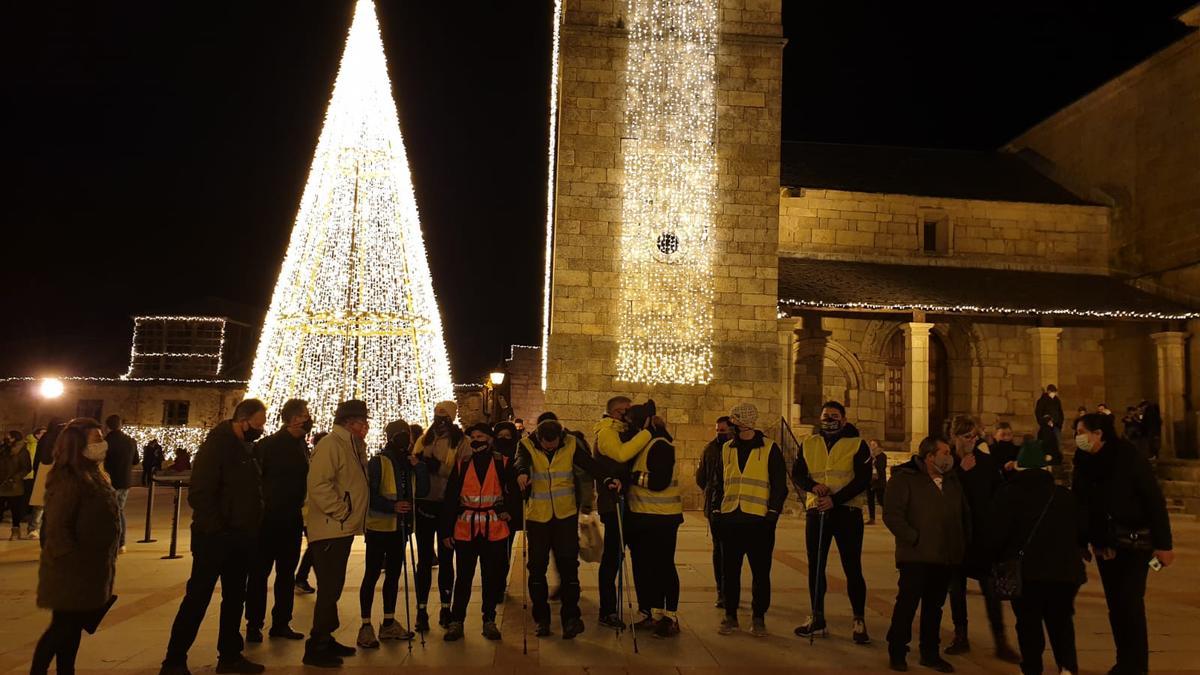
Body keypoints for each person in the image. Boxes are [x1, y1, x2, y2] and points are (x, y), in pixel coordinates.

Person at [161, 399, 267, 675]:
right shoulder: (216, 446)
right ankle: (174, 660)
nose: (261, 428)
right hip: (215, 539)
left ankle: (230, 655)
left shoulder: (247, 448)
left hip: (241, 536)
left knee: (234, 598)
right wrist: (218, 530)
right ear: (242, 420)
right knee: (198, 597)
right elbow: (201, 493)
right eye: (258, 423)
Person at [1072, 413, 1174, 675]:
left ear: (1099, 433)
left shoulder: (1128, 457)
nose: (1078, 437)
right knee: (1116, 608)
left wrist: (1164, 544)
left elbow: (1153, 500)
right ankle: (1124, 662)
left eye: (1082, 431)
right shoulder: (1083, 460)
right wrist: (1081, 540)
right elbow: (1080, 503)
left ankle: (1137, 667)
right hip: (1104, 545)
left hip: (1132, 543)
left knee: (1130, 606)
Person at [985, 443, 1087, 675]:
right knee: (1061, 622)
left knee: (1028, 624)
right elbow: (1082, 529)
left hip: (1026, 573)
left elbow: (995, 534)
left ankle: (1032, 668)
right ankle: (1067, 668)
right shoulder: (1064, 496)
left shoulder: (1008, 494)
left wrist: (993, 559)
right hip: (1064, 573)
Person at [31, 418, 120, 675]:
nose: (102, 444)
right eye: (96, 439)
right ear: (79, 445)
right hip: (72, 571)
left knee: (69, 629)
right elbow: (58, 530)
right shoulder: (70, 479)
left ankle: (65, 671)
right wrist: (78, 565)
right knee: (61, 630)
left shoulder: (93, 473)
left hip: (89, 569)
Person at [515, 417, 619, 638]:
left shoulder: (570, 443)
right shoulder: (525, 444)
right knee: (537, 567)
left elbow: (588, 464)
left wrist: (608, 478)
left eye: (553, 444)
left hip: (565, 514)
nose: (550, 448)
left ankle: (572, 618)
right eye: (546, 445)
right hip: (538, 517)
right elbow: (520, 462)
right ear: (539, 439)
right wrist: (522, 473)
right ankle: (541, 619)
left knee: (569, 566)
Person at [884, 436, 969, 673]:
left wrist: (961, 543)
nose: (948, 456)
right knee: (907, 605)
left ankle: (930, 653)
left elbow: (963, 514)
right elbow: (893, 515)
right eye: (944, 452)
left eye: (949, 452)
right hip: (916, 556)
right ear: (930, 456)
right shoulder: (905, 480)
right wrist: (914, 538)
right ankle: (898, 651)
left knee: (934, 608)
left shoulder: (952, 482)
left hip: (944, 556)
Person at [791, 400, 871, 644]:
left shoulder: (858, 444)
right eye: (825, 416)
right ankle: (817, 615)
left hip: (847, 512)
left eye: (834, 416)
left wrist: (835, 500)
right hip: (818, 511)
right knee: (816, 566)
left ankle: (858, 619)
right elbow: (797, 473)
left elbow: (863, 479)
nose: (829, 420)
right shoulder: (809, 443)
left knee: (852, 567)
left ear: (844, 419)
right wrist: (813, 486)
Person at [302, 400, 371, 668]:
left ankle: (326, 637)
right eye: (362, 422)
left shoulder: (352, 445)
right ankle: (316, 646)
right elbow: (319, 484)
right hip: (330, 527)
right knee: (329, 588)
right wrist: (342, 512)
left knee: (334, 586)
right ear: (348, 423)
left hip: (340, 528)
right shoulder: (332, 444)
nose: (366, 427)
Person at [944, 416, 1018, 661]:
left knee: (991, 589)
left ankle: (1000, 641)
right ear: (955, 437)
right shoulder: (948, 462)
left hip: (983, 535)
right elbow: (942, 494)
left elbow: (999, 493)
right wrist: (960, 472)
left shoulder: (985, 461)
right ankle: (960, 635)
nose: (972, 441)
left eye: (975, 436)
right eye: (967, 437)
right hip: (956, 534)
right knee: (957, 588)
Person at [711, 403, 787, 637]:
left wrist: (772, 515)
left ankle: (758, 617)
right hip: (731, 519)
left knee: (761, 573)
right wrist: (716, 512)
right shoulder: (727, 449)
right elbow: (719, 482)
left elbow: (779, 486)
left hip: (758, 521)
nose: (729, 428)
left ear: (743, 423)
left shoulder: (770, 449)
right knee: (730, 572)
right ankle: (730, 616)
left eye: (732, 423)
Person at [439, 423, 520, 641]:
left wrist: (510, 513)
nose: (476, 440)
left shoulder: (502, 463)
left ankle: (489, 619)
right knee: (463, 577)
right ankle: (457, 621)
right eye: (473, 436)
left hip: (493, 528)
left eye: (481, 435)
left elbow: (514, 492)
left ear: (490, 438)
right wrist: (446, 531)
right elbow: (450, 499)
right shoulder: (462, 464)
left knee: (491, 577)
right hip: (466, 528)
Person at [244, 399, 311, 643]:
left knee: (286, 573)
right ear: (294, 419)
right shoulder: (268, 445)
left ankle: (281, 622)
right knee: (260, 573)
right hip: (268, 519)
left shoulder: (302, 446)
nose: (308, 419)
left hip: (291, 518)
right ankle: (254, 624)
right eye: (305, 415)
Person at [357, 419, 429, 647]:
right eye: (401, 434)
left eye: (407, 434)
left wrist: (419, 466)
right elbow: (369, 494)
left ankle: (388, 623)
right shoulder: (378, 461)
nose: (406, 439)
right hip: (379, 527)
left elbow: (423, 490)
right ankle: (365, 625)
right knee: (371, 574)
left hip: (400, 527)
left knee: (394, 575)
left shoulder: (409, 463)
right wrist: (392, 506)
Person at [618, 402, 683, 638]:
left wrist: (631, 476)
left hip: (662, 519)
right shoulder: (643, 444)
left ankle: (669, 616)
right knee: (645, 568)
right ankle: (652, 613)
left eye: (632, 421)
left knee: (663, 567)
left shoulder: (661, 445)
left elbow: (658, 481)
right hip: (642, 516)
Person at [412, 400, 467, 632]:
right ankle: (421, 610)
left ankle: (446, 607)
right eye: (437, 414)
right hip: (424, 504)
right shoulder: (424, 438)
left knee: (446, 559)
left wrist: (434, 466)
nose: (440, 418)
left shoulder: (461, 441)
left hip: (447, 506)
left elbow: (460, 472)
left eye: (444, 415)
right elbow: (413, 461)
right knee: (424, 560)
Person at [592, 396, 645, 629]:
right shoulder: (606, 432)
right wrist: (647, 433)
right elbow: (621, 455)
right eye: (626, 411)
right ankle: (608, 610)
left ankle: (646, 608)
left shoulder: (627, 430)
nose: (629, 415)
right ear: (615, 412)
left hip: (633, 503)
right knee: (613, 558)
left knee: (641, 556)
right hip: (614, 503)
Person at [694, 416, 733, 607]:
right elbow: (701, 478)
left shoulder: (732, 449)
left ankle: (729, 592)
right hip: (715, 506)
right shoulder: (709, 450)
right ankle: (722, 591)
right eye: (718, 430)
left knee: (730, 551)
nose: (720, 434)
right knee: (720, 550)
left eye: (723, 430)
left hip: (733, 506)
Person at [294, 431, 326, 596]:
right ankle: (302, 578)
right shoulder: (314, 462)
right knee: (315, 547)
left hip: (310, 512)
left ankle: (302, 578)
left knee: (315, 547)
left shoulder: (310, 460)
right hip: (310, 513)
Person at [102, 416, 138, 554]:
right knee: (120, 510)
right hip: (125, 480)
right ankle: (121, 542)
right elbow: (136, 460)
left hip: (109, 480)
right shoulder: (130, 441)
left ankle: (112, 541)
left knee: (109, 512)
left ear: (107, 426)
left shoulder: (106, 441)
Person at [2, 431, 32, 540]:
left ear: (14, 438)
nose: (6, 438)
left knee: (15, 509)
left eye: (8, 436)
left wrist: (15, 478)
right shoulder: (3, 449)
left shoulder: (23, 452)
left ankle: (16, 530)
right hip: (1, 483)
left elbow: (26, 468)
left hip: (14, 485)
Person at [21, 426, 45, 537]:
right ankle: (30, 521)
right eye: (42, 433)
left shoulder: (44, 444)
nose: (44, 435)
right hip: (29, 474)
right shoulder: (29, 444)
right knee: (29, 498)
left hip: (37, 473)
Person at [866, 439, 887, 524]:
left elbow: (882, 467)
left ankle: (887, 516)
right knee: (870, 500)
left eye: (874, 444)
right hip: (870, 481)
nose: (872, 446)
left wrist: (875, 461)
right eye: (871, 444)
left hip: (879, 481)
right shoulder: (869, 456)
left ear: (878, 445)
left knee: (881, 500)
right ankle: (872, 518)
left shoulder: (882, 455)